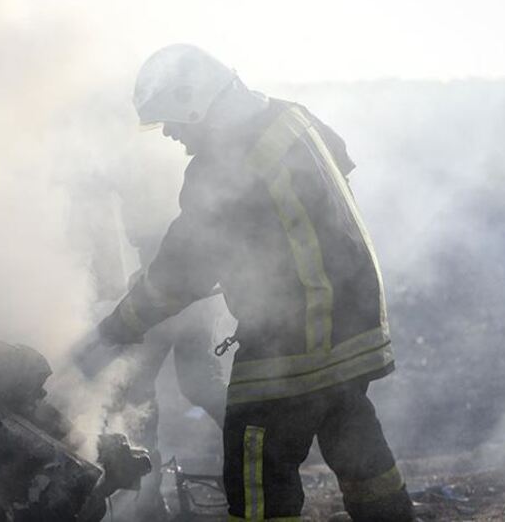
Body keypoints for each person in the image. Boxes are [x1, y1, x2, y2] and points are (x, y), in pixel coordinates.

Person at [75, 44, 414, 521]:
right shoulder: (294, 118)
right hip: (353, 329)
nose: (171, 133)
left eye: (174, 120)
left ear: (197, 102)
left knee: (256, 480)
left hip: (292, 346)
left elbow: (180, 273)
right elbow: (331, 183)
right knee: (364, 460)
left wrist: (112, 331)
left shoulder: (222, 166)